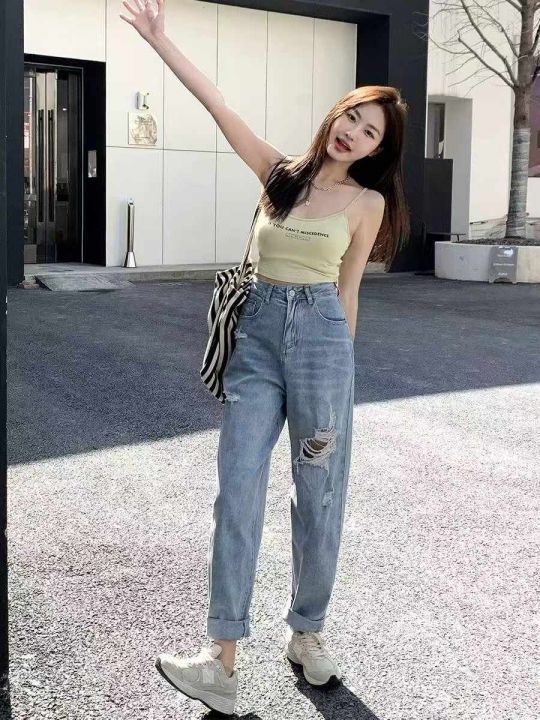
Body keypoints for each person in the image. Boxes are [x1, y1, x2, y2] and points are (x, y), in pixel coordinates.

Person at [121, 0, 410, 715]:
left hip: (322, 347)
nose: (353, 132)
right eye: (352, 117)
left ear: (377, 149)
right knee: (237, 491)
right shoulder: (280, 175)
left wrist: (343, 371)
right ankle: (221, 661)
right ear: (335, 115)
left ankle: (306, 633)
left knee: (319, 492)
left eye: (370, 131)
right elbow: (219, 106)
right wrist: (160, 41)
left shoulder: (367, 204)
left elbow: (348, 292)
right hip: (257, 338)